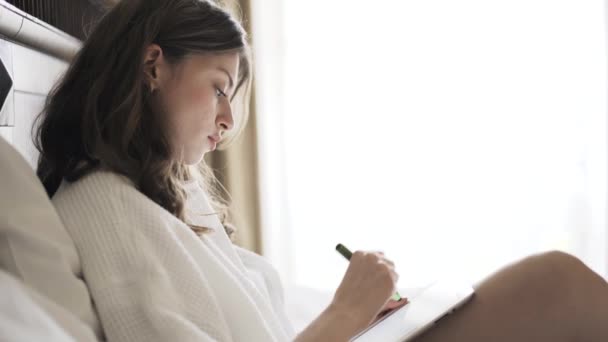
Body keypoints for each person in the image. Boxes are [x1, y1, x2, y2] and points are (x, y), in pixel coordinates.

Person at [34, 0, 608, 341]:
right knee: (555, 286)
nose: (229, 120)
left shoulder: (162, 199)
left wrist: (359, 319)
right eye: (218, 88)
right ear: (152, 67)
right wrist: (346, 312)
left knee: (557, 288)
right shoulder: (103, 205)